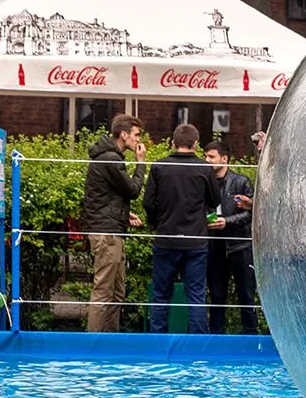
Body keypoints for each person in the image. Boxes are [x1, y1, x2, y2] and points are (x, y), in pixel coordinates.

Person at [142, 124, 218, 334]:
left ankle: (158, 343)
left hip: (166, 237)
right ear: (196, 144)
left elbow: (148, 202)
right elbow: (215, 200)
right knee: (196, 295)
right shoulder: (204, 168)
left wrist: (156, 223)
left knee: (160, 294)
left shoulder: (159, 167)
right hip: (196, 240)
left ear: (173, 143)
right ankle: (198, 345)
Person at [80, 114, 147, 332]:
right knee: (104, 291)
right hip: (106, 233)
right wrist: (141, 164)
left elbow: (103, 196)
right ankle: (95, 343)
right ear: (124, 134)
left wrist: (123, 215)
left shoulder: (108, 156)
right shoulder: (110, 158)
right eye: (136, 135)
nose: (138, 140)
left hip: (111, 229)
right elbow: (132, 190)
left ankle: (109, 339)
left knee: (116, 292)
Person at [204, 141, 258, 334]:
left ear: (224, 159)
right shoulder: (204, 181)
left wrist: (228, 221)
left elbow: (252, 213)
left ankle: (251, 336)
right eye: (206, 156)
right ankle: (216, 337)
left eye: (211, 156)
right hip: (215, 246)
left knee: (246, 294)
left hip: (239, 246)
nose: (207, 160)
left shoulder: (241, 182)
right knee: (217, 296)